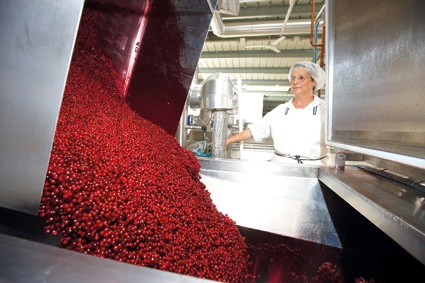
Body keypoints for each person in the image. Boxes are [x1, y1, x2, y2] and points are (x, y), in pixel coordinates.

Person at [226, 61, 330, 165]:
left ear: (314, 81)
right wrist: (229, 140)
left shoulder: (325, 110)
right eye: (293, 78)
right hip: (281, 166)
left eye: (301, 78)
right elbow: (255, 130)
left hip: (315, 168)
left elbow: (340, 140)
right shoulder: (281, 110)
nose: (295, 82)